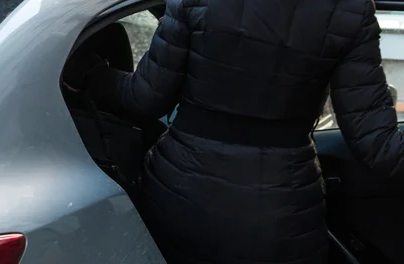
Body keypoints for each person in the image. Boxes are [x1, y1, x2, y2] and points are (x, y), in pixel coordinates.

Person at [63, 0, 404, 263]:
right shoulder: (348, 10)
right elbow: (381, 149)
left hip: (179, 205)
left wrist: (91, 73)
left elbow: (143, 98)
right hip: (282, 219)